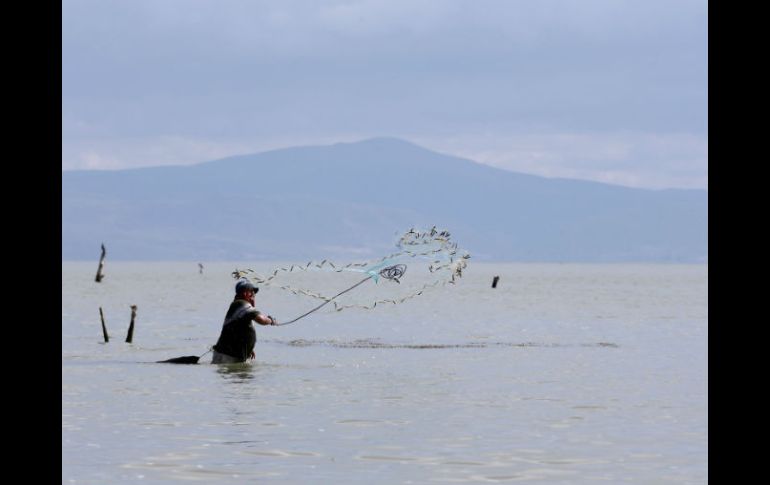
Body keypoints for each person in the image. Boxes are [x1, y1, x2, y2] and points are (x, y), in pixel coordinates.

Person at [211, 279, 277, 364]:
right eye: (252, 293)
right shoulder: (242, 304)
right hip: (227, 357)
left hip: (227, 355)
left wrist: (248, 348)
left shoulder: (238, 307)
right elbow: (261, 320)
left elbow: (238, 330)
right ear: (246, 293)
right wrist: (271, 320)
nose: (253, 297)